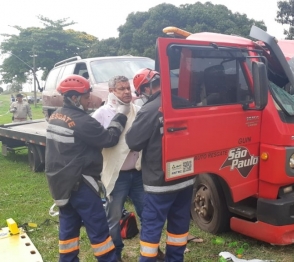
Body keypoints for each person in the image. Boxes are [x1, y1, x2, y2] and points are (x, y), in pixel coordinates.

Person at [45, 75, 129, 262]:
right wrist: (121, 115)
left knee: (68, 229)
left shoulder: (55, 116)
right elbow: (109, 139)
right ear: (74, 98)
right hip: (81, 184)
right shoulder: (82, 121)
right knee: (99, 231)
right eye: (85, 96)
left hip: (62, 184)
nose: (89, 99)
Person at [126, 68, 195, 262]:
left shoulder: (150, 109)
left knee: (152, 225)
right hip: (186, 177)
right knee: (179, 226)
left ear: (146, 88)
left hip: (160, 180)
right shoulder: (184, 103)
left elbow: (134, 142)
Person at [92, 75, 155, 262]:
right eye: (121, 89)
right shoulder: (102, 114)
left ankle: (149, 251)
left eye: (128, 88)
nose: (127, 92)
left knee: (147, 215)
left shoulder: (139, 110)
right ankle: (115, 254)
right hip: (116, 176)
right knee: (113, 218)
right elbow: (95, 142)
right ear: (112, 91)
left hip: (138, 173)